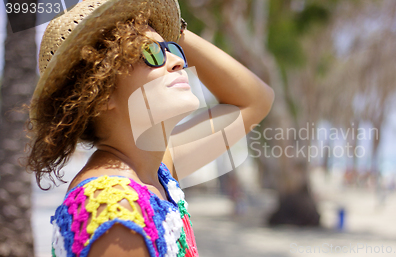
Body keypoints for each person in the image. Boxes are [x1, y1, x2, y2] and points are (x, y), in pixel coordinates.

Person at [24, 0, 274, 256]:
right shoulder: (115, 210)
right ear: (100, 90)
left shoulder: (152, 168)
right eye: (153, 53)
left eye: (173, 48)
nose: (178, 61)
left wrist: (173, 29)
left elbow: (254, 101)